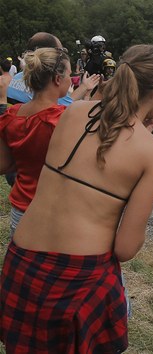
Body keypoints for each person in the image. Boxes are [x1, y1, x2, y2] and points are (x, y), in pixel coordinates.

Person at [0, 44, 153, 353]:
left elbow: (97, 144)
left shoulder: (74, 111)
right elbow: (125, 248)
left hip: (22, 264)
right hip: (79, 280)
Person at [0, 47, 74, 237]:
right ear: (58, 79)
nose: (71, 80)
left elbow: (4, 165)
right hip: (53, 212)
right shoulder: (63, 121)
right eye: (69, 76)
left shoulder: (12, 115)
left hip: (20, 209)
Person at [7, 32, 99, 106]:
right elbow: (67, 109)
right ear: (47, 53)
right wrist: (99, 92)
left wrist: (84, 86)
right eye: (59, 51)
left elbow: (64, 103)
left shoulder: (17, 78)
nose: (61, 55)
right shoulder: (46, 85)